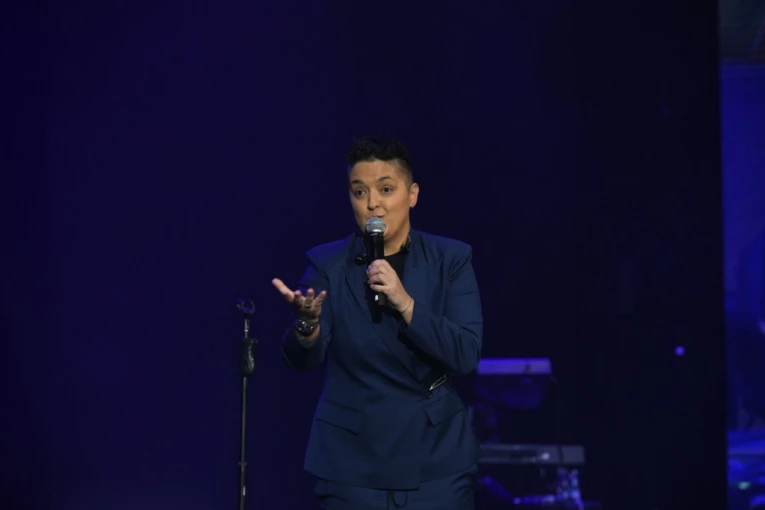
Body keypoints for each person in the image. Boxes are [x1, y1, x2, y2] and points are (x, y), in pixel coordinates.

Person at [271, 136, 483, 509]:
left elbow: (466, 354)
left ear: (412, 195)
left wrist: (405, 303)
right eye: (359, 191)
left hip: (435, 459)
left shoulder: (451, 259)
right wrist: (307, 325)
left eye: (386, 189)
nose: (372, 203)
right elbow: (302, 358)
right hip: (353, 460)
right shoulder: (327, 264)